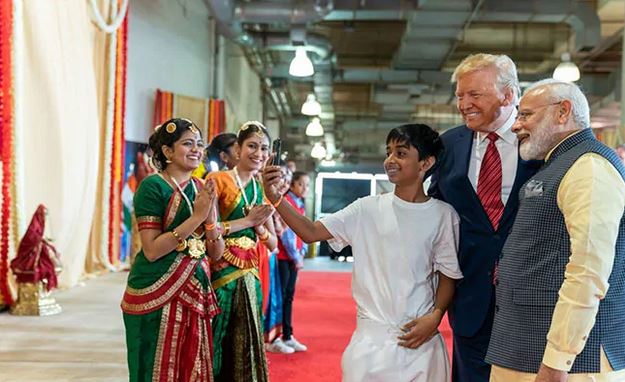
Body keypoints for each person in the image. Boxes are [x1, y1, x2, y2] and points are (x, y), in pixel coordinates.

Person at [263, 123, 463, 382]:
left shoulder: (443, 215)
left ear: (425, 163)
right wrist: (275, 197)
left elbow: (448, 274)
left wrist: (435, 317)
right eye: (388, 152)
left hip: (421, 344)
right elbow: (310, 232)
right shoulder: (366, 209)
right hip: (370, 346)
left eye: (401, 153)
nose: (390, 160)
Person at [486, 79, 625, 381]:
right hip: (525, 351)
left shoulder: (589, 166)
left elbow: (588, 271)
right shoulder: (558, 164)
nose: (516, 125)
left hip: (569, 364)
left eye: (526, 115)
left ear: (563, 112)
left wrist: (557, 361)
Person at [428, 53, 541, 382]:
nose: (464, 104)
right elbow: (435, 206)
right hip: (470, 293)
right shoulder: (449, 144)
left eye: (474, 94)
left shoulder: (538, 141)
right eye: (460, 95)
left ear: (508, 95)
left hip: (529, 295)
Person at [121, 118, 224, 382]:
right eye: (187, 144)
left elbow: (216, 253)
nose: (196, 150)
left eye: (199, 144)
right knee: (157, 365)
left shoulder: (202, 188)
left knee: (192, 363)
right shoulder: (152, 186)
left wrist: (210, 218)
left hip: (196, 287)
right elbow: (153, 250)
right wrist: (196, 217)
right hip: (158, 287)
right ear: (167, 152)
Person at [206, 121, 278, 382]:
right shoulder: (218, 180)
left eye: (264, 148)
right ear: (237, 149)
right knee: (217, 334)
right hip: (220, 270)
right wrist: (247, 222)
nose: (258, 153)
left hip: (251, 274)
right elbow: (209, 229)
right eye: (252, 146)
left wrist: (259, 229)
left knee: (247, 337)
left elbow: (273, 245)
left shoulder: (262, 189)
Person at [270, 170, 311, 353]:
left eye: (307, 185)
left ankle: (287, 334)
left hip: (293, 257)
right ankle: (278, 336)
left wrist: (301, 253)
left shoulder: (299, 203)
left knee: (288, 297)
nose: (305, 188)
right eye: (301, 184)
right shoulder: (287, 201)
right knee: (280, 297)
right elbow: (286, 234)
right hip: (282, 256)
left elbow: (301, 232)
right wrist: (296, 257)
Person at [264, 163, 292, 354]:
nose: (284, 184)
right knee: (269, 297)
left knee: (275, 296)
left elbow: (279, 230)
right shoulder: (263, 194)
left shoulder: (276, 199)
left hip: (269, 252)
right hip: (263, 253)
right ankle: (267, 338)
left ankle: (275, 336)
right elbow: (279, 231)